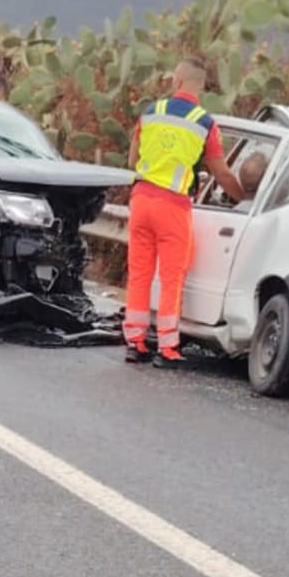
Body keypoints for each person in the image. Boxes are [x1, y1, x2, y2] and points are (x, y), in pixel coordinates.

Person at [122, 57, 246, 368]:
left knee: (139, 273)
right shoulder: (204, 124)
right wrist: (243, 197)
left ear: (177, 81)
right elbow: (220, 171)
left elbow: (132, 160)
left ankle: (135, 341)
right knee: (171, 278)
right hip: (172, 206)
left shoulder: (151, 113)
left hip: (140, 199)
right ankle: (167, 347)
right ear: (201, 86)